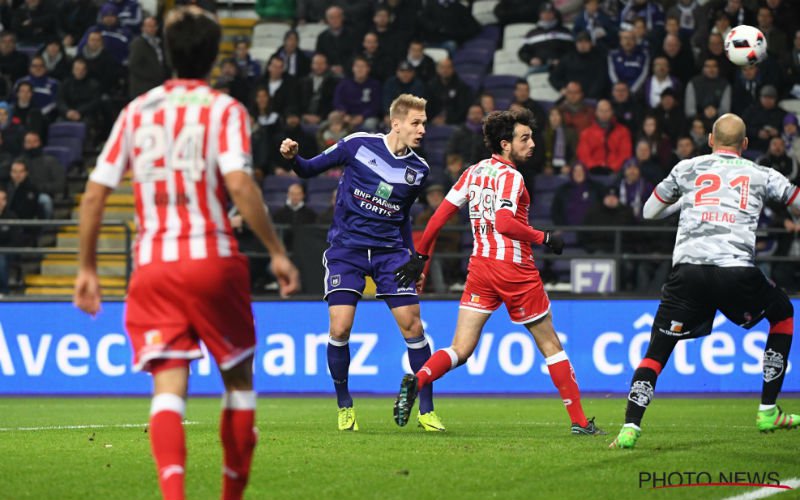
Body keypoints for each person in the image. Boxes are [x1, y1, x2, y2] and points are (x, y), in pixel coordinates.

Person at [72, 8, 300, 500]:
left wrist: (86, 268)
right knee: (238, 379)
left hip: (153, 266)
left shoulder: (136, 111)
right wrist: (277, 252)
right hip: (213, 259)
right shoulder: (225, 109)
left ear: (167, 53)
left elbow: (93, 195)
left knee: (168, 389)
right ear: (214, 56)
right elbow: (239, 184)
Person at [391, 109, 603, 436]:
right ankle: (579, 421)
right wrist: (545, 237)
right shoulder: (512, 177)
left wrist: (421, 256)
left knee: (460, 348)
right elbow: (505, 222)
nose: (531, 143)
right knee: (551, 345)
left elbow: (437, 218)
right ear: (505, 144)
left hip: (480, 269)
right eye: (524, 138)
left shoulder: (472, 172)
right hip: (514, 269)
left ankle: (418, 380)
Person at [610, 113, 800, 449]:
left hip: (688, 272)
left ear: (710, 140)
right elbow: (796, 201)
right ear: (744, 144)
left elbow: (649, 211)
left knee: (659, 346)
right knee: (783, 313)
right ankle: (768, 409)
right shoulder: (761, 173)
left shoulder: (687, 169)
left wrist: (691, 198)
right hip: (735, 270)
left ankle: (629, 426)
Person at [279, 93, 445, 432]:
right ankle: (344, 406)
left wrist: (415, 259)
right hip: (347, 251)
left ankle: (426, 411)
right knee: (340, 328)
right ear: (395, 123)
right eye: (416, 122)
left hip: (389, 253)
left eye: (424, 123)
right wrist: (294, 159)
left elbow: (403, 217)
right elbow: (310, 169)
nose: (422, 129)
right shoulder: (358, 145)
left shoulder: (419, 170)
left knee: (413, 327)